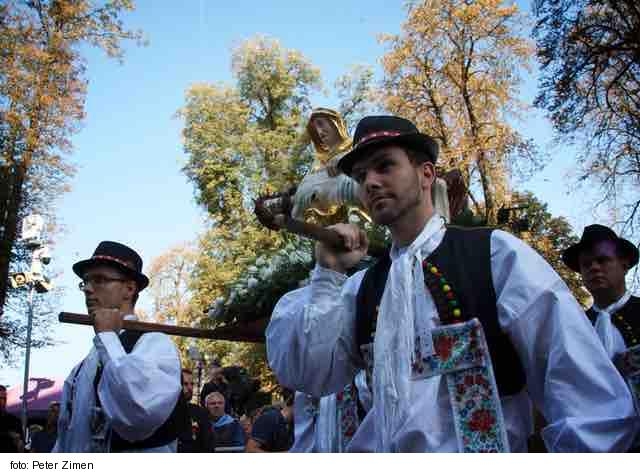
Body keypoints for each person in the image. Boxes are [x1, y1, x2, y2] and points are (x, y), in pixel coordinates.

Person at [266, 115, 638, 452]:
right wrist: (328, 276)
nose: (372, 182)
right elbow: (310, 374)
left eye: (385, 166)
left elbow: (582, 389)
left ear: (427, 174)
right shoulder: (363, 288)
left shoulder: (493, 255)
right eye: (362, 176)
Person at [53, 241, 183, 452]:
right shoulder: (81, 368)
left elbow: (137, 413)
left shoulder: (155, 344)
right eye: (85, 282)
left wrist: (106, 336)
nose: (86, 288)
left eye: (99, 280)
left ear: (129, 288)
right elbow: (66, 440)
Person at [562, 224, 640, 358]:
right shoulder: (575, 328)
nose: (594, 268)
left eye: (602, 260)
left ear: (624, 265)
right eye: (586, 264)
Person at [178, 369, 214, 453]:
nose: (190, 387)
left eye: (192, 384)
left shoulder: (200, 412)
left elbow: (208, 445)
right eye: (185, 384)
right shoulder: (166, 412)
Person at [0, 385, 23, 452]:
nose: (2, 401)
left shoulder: (14, 420)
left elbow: (21, 446)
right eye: (0, 398)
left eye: (4, 398)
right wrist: (8, 434)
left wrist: (19, 443)